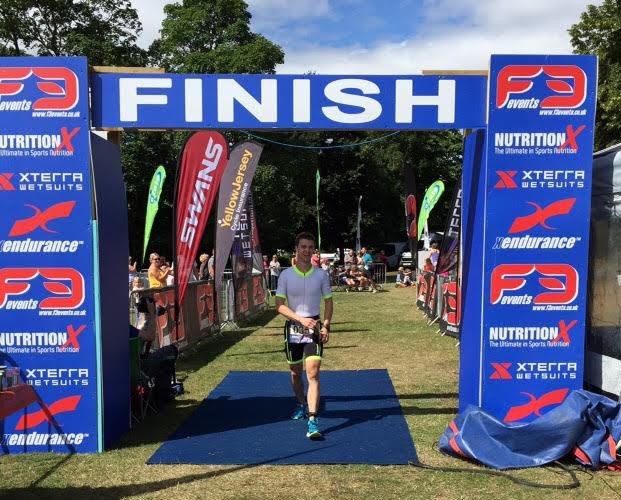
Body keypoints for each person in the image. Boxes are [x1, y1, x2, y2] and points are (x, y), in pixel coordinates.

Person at [275, 232, 333, 440]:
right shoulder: (286, 275)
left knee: (313, 373)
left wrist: (325, 325)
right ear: (296, 249)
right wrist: (300, 319)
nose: (307, 251)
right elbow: (279, 306)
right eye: (303, 247)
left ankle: (312, 419)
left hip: (315, 326)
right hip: (294, 327)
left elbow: (328, 302)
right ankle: (301, 402)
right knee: (295, 372)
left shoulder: (321, 275)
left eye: (310, 247)